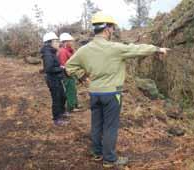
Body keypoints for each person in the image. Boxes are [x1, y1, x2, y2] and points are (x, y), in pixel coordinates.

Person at [65, 12, 170, 168]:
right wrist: (157, 49)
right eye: (112, 28)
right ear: (107, 29)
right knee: (110, 127)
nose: (113, 31)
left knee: (96, 124)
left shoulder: (84, 50)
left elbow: (69, 66)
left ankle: (97, 153)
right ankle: (109, 159)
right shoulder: (114, 48)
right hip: (111, 94)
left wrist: (83, 77)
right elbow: (137, 49)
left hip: (94, 93)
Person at [40, 32, 68, 126]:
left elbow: (53, 65)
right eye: (56, 41)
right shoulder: (48, 54)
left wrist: (59, 67)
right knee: (56, 99)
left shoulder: (51, 52)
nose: (58, 43)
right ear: (50, 42)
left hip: (57, 78)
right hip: (53, 79)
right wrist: (61, 68)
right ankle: (57, 119)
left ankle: (62, 112)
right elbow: (48, 69)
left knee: (62, 96)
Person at [58, 33, 79, 113]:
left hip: (71, 73)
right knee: (70, 90)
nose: (72, 43)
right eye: (70, 41)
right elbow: (63, 65)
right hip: (67, 74)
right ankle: (71, 107)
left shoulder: (68, 50)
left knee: (73, 89)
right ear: (65, 42)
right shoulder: (63, 51)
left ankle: (75, 104)